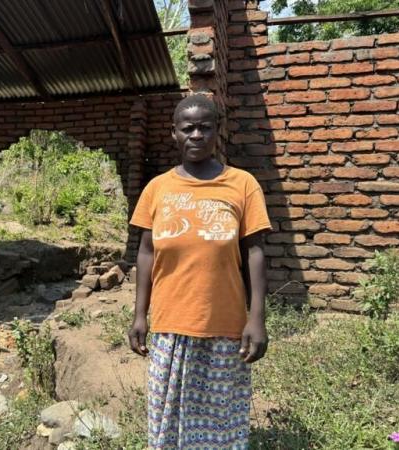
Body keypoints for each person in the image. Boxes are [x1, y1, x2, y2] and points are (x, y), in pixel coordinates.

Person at [128, 94, 272, 449]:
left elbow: (255, 252)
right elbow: (145, 252)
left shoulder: (242, 185)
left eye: (204, 127)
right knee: (166, 417)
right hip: (169, 322)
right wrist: (139, 315)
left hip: (223, 323)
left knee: (219, 418)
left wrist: (257, 319)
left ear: (216, 131)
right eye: (187, 128)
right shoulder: (157, 188)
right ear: (174, 133)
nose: (196, 135)